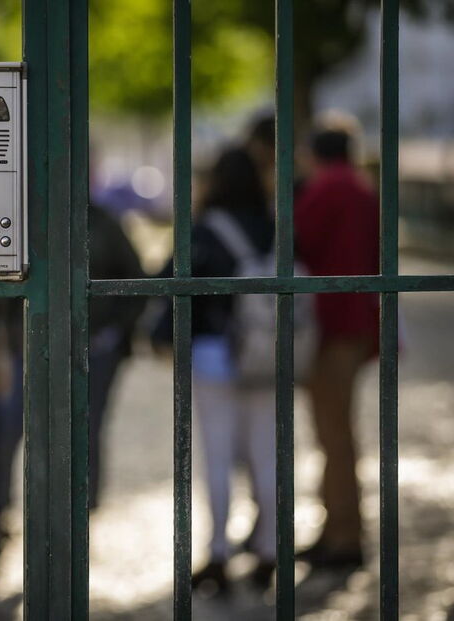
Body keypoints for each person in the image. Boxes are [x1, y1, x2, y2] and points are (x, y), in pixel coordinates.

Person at [171, 147, 278, 593]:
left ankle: (218, 552)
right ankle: (270, 548)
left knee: (217, 456)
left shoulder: (206, 229)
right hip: (267, 350)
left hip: (215, 351)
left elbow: (176, 282)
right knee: (267, 452)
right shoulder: (275, 226)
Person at [0, 202, 145, 518]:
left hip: (96, 343)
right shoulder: (20, 219)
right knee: (12, 423)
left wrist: (117, 331)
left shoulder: (103, 221)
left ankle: (82, 506)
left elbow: (134, 279)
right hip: (30, 342)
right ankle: (0, 502)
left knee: (87, 423)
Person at [294, 120, 379, 568]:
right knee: (337, 432)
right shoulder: (362, 187)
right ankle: (337, 528)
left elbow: (298, 241)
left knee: (334, 434)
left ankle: (344, 535)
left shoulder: (326, 188)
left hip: (329, 325)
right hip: (355, 320)